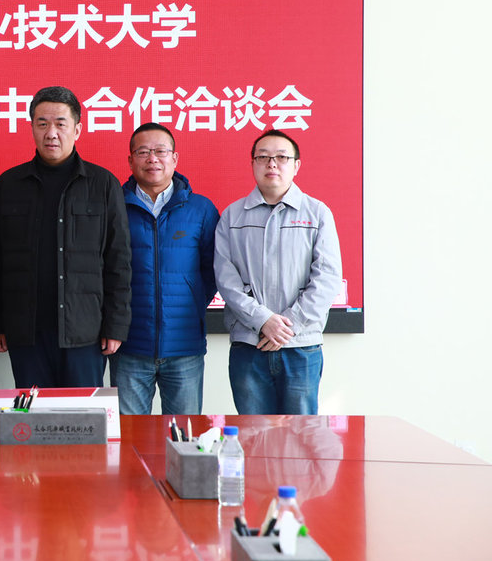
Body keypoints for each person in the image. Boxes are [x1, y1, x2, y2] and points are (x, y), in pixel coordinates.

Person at [0, 86, 131, 388]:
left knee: (83, 415)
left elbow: (118, 259)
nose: (51, 133)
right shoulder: (9, 184)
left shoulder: (103, 184)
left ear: (77, 129)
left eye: (60, 124)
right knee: (32, 415)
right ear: (32, 128)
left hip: (85, 332)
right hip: (26, 331)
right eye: (42, 124)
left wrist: (115, 325)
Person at [214, 129, 342, 414]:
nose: (272, 164)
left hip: (301, 347)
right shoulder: (232, 216)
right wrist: (262, 321)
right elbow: (225, 278)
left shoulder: (317, 213)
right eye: (263, 157)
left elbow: (327, 277)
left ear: (296, 165)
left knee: (300, 434)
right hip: (250, 345)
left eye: (282, 157)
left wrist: (288, 326)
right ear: (252, 164)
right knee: (254, 434)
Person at [108, 123, 219, 415]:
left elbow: (213, 270)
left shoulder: (201, 209)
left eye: (160, 151)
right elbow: (103, 269)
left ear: (175, 158)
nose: (152, 159)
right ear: (130, 160)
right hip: (129, 345)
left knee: (183, 433)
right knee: (130, 435)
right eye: (143, 152)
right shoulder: (113, 207)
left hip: (184, 345)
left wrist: (192, 301)